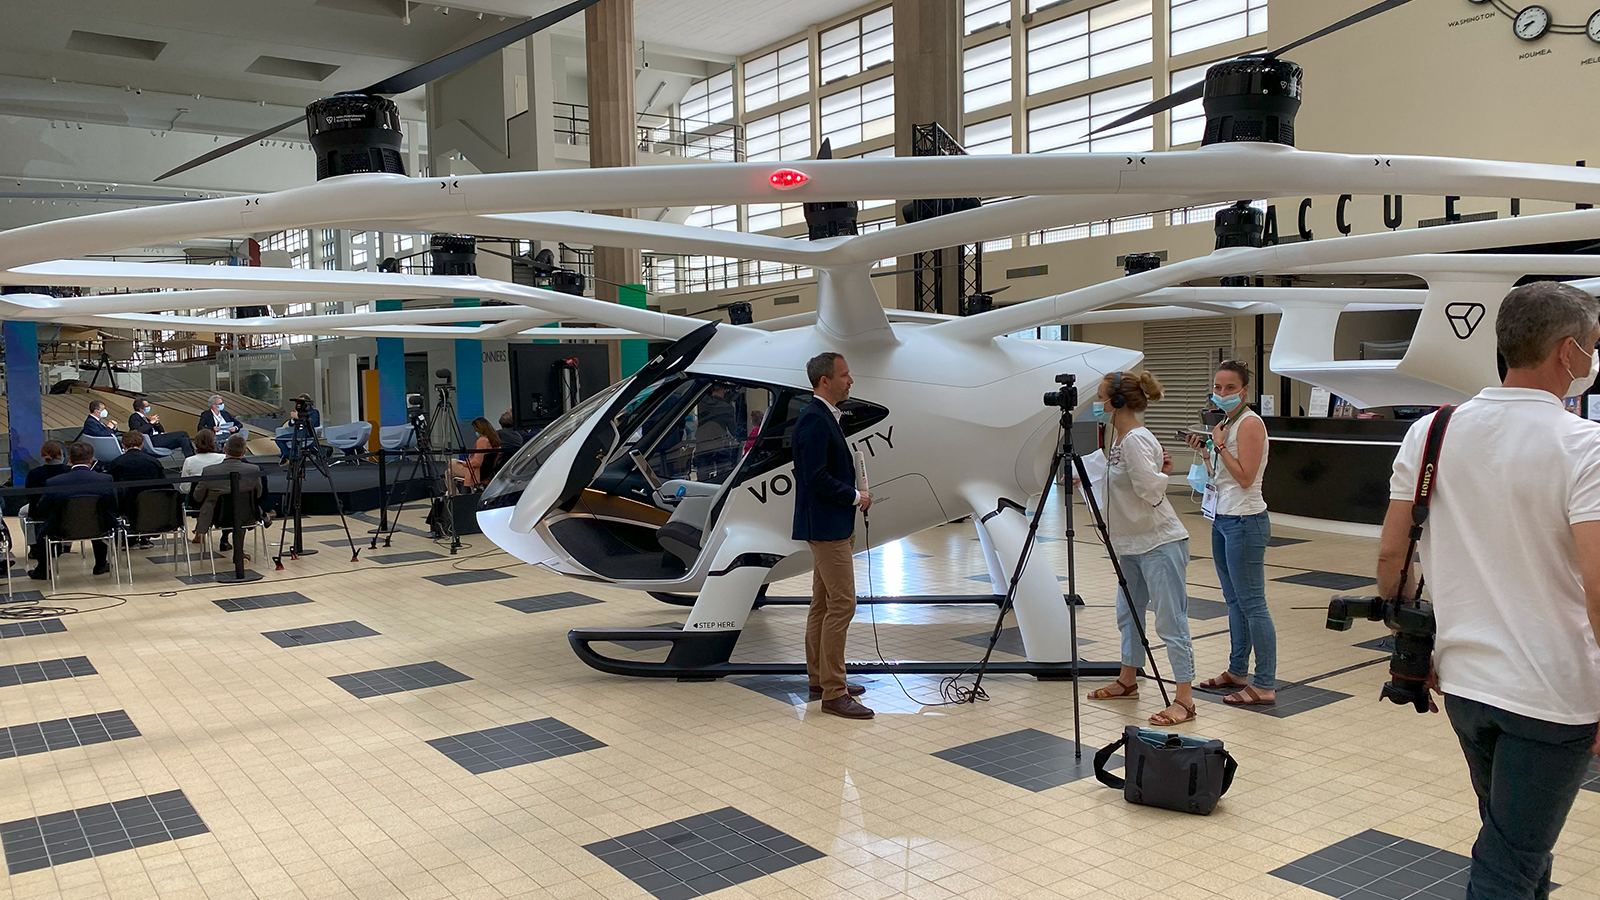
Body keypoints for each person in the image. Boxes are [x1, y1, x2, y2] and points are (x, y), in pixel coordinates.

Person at [1383, 282, 1600, 900]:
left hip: (1465, 684)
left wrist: (1412, 645)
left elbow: (1391, 557)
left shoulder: (1431, 432)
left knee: (1517, 842)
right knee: (1508, 861)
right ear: (1567, 352)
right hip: (1553, 694)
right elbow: (1599, 587)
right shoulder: (1584, 446)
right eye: (1593, 346)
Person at [1085, 371, 1196, 727]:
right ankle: (1128, 679)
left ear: (1116, 403)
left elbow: (1150, 490)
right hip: (1130, 543)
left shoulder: (1134, 439)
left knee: (1169, 619)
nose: (1096, 403)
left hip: (1159, 541)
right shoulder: (1119, 441)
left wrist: (1162, 474)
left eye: (1101, 396)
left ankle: (1184, 699)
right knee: (1128, 612)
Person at [1185, 360, 1276, 706]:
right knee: (1234, 601)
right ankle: (1238, 670)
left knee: (1254, 605)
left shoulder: (1250, 424)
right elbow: (1221, 476)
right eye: (1217, 387)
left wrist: (1220, 445)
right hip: (1222, 518)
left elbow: (1245, 478)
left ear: (1244, 390)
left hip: (1245, 521)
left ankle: (1264, 683)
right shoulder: (1226, 423)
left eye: (1229, 388)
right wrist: (1207, 451)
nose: (1221, 394)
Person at [793, 352, 873, 719]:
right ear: (825, 381)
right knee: (843, 604)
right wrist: (856, 496)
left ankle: (821, 678)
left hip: (832, 524)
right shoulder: (814, 419)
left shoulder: (826, 417)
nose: (850, 381)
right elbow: (815, 478)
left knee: (823, 604)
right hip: (827, 528)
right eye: (845, 374)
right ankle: (834, 692)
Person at [29, 441, 115, 579]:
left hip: (61, 530)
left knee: (42, 525)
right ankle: (100, 563)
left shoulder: (54, 482)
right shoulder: (105, 479)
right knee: (98, 515)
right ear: (91, 459)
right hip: (99, 527)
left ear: (69, 459)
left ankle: (43, 567)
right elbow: (112, 504)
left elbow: (42, 508)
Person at [191, 435, 267, 553]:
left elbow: (197, 496)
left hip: (216, 517)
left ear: (224, 449)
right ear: (245, 451)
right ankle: (239, 551)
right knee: (241, 508)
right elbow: (258, 494)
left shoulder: (209, 471)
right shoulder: (253, 470)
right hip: (246, 515)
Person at [20, 441, 70, 564]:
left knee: (22, 512)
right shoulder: (69, 471)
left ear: (42, 455)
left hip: (41, 510)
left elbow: (29, 495)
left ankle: (34, 545)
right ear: (61, 454)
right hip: (67, 510)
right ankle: (67, 545)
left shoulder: (34, 473)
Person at [106, 430, 165, 522]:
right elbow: (163, 485)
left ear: (123, 445)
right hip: (150, 506)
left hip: (124, 507)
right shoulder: (154, 462)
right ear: (141, 444)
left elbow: (110, 487)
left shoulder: (116, 463)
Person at [128, 399, 195, 457]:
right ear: (141, 408)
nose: (149, 407)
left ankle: (191, 461)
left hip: (159, 437)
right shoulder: (135, 417)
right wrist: (151, 423)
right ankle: (194, 459)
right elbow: (137, 431)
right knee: (183, 433)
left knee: (184, 440)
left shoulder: (146, 418)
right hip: (152, 440)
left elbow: (161, 430)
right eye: (147, 406)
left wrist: (156, 423)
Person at [449, 417, 501, 490]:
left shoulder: (482, 441)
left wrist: (465, 463)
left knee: (451, 463)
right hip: (486, 472)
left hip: (476, 472)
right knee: (448, 471)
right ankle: (452, 493)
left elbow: (477, 462)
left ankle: (452, 495)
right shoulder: (494, 440)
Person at [275, 394, 321, 463]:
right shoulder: (299, 412)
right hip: (297, 432)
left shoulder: (314, 412)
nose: (299, 405)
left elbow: (312, 423)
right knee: (279, 439)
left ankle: (290, 457)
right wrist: (293, 419)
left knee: (294, 440)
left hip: (308, 433)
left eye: (301, 402)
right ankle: (288, 456)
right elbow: (291, 424)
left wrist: (298, 417)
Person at [180, 429, 224, 496]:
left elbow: (185, 489)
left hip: (197, 501)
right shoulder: (223, 458)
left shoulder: (189, 461)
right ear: (213, 442)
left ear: (196, 443)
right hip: (221, 499)